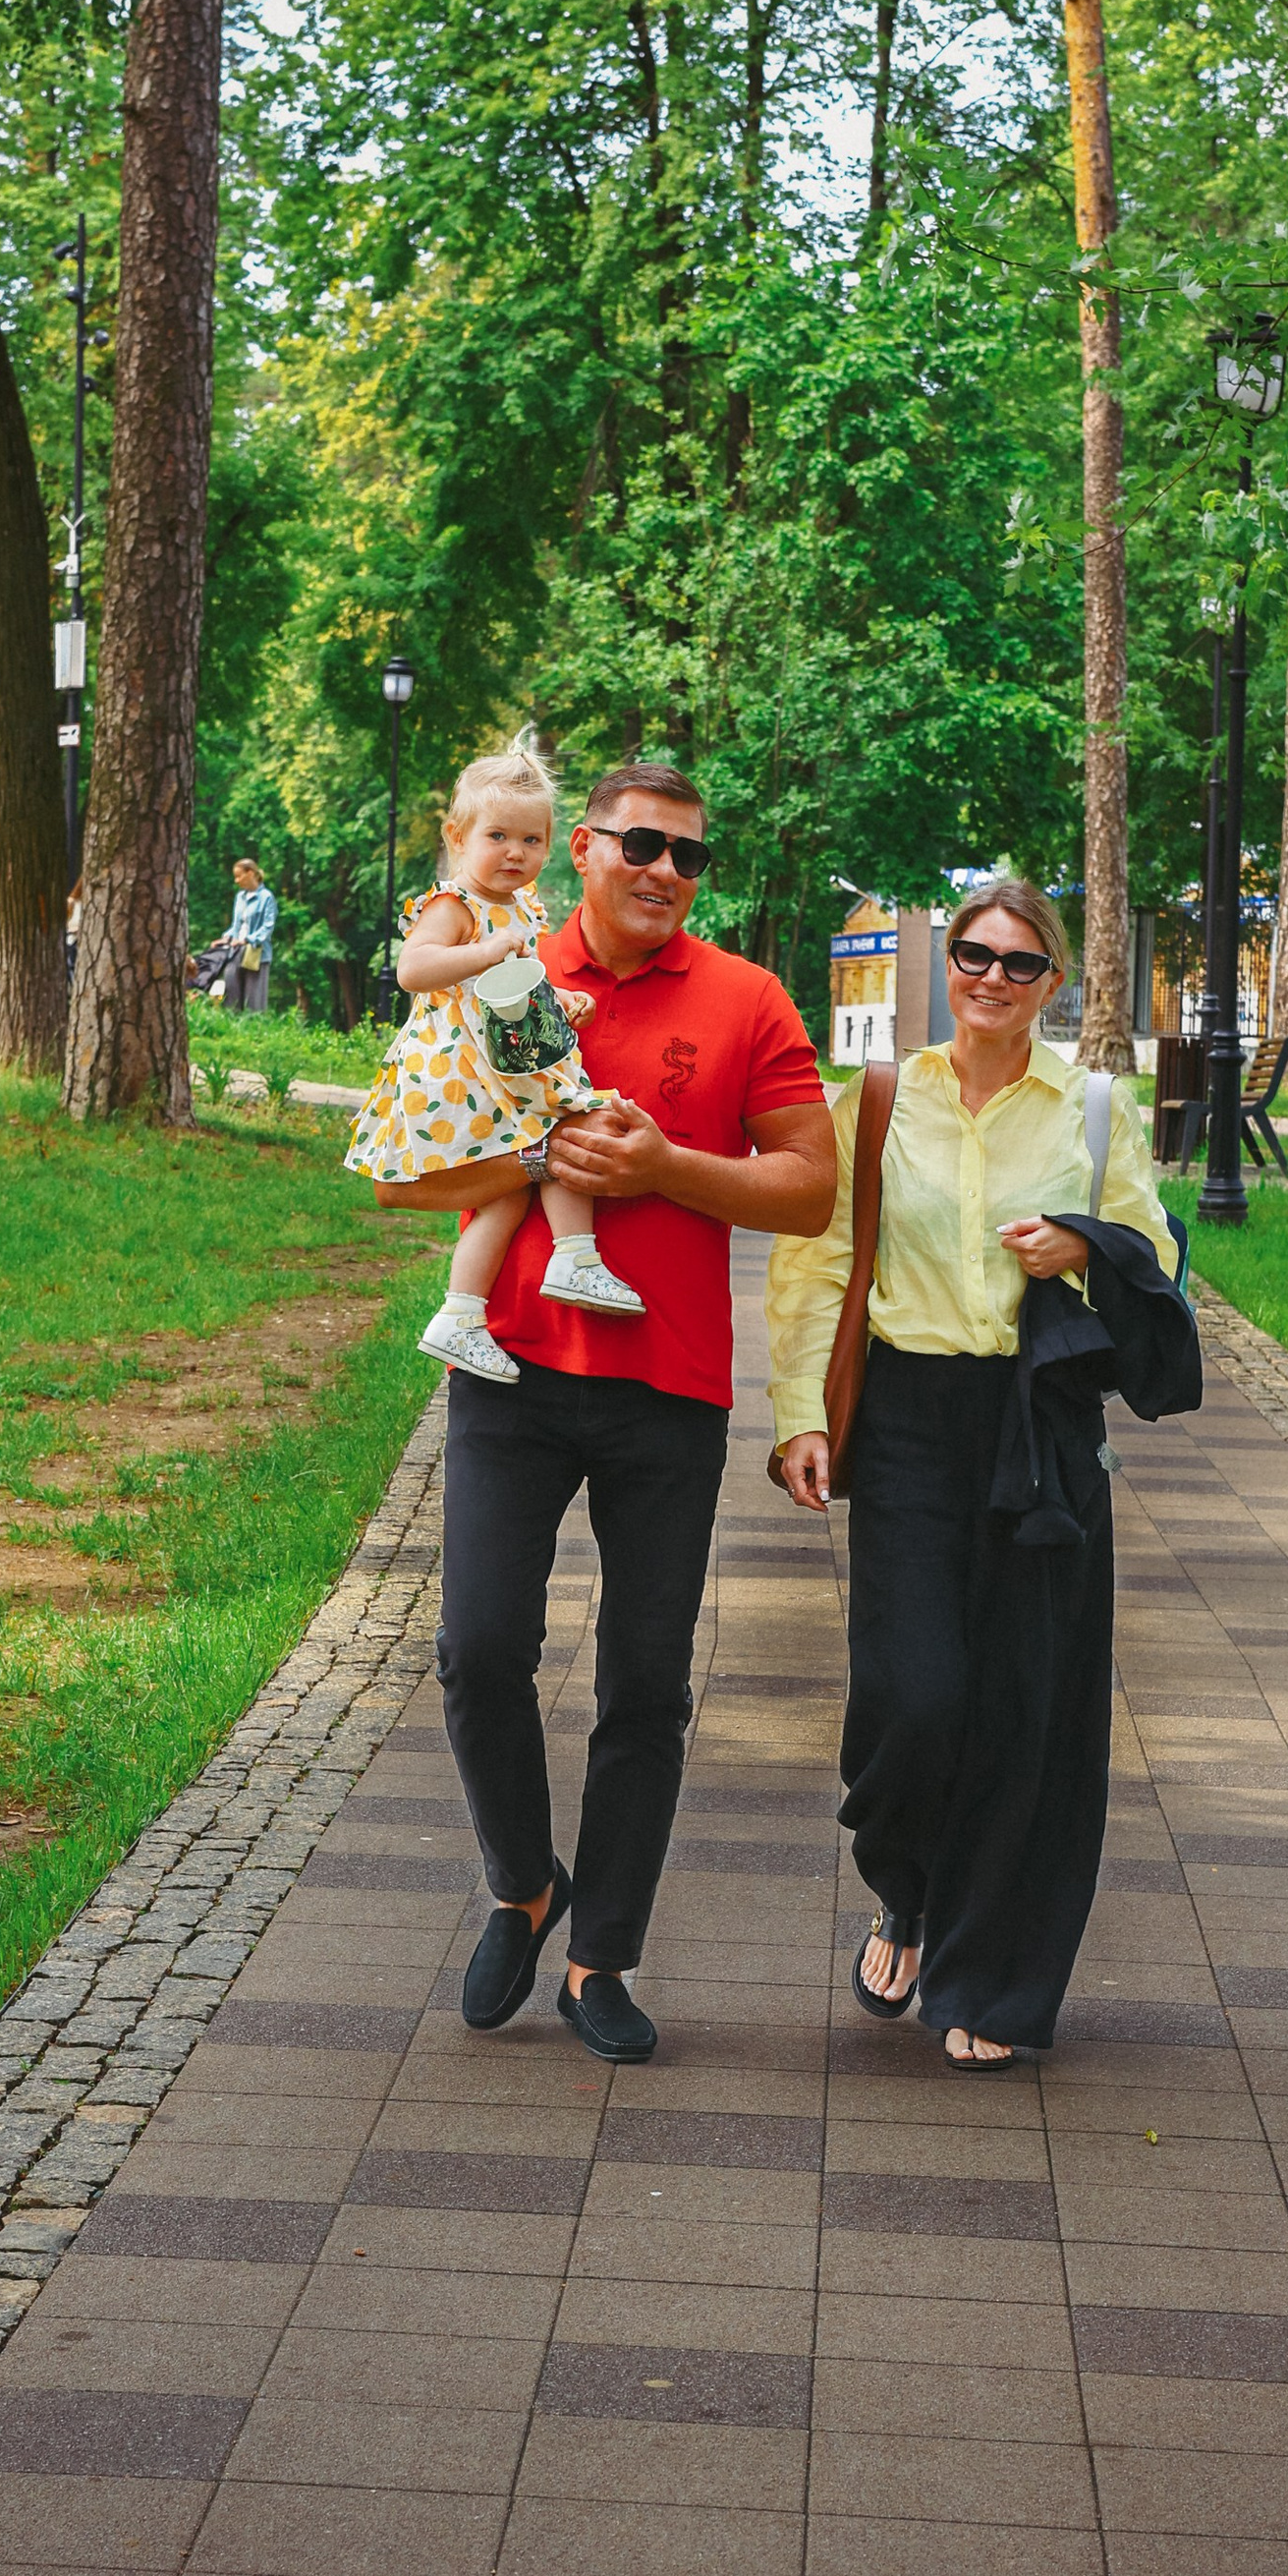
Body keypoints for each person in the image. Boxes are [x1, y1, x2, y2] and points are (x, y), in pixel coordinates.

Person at [371, 761, 834, 2064]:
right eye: (640, 843)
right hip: (510, 1369)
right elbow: (402, 1164)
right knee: (478, 1651)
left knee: (645, 1688)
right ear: (579, 847)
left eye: (689, 853)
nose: (665, 870)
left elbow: (807, 1189)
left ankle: (598, 1962)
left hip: (668, 1386)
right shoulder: (490, 959)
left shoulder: (746, 999)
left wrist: (665, 1167)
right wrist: (527, 1156)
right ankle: (525, 1881)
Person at [767, 876, 1182, 2070]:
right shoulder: (882, 1098)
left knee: (1025, 1710)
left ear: (1054, 982)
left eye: (1019, 962)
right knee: (913, 1693)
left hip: (1035, 1426)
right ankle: (904, 1888)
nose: (991, 978)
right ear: (947, 964)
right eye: (973, 955)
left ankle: (990, 1983)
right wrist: (805, 1415)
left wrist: (1081, 1245)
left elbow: (1151, 1262)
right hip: (903, 1416)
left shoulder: (1093, 1109)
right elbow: (818, 1259)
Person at [351, 750, 650, 1373]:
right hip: (456, 1071)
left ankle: (476, 1306)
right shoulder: (454, 902)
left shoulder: (522, 909)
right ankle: (560, 1261)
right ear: (457, 837)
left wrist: (559, 1000)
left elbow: (515, 982)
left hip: (505, 1057)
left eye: (531, 839)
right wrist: (484, 950)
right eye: (497, 836)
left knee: (514, 1187)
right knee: (553, 1134)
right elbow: (414, 969)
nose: (515, 852)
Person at [222, 858, 277, 1011]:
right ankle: (231, 1027)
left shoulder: (266, 897)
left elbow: (268, 927)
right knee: (231, 993)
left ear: (250, 873)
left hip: (256, 952)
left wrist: (247, 940)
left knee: (253, 1000)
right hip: (235, 950)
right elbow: (236, 925)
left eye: (239, 876)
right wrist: (225, 937)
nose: (236, 880)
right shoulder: (240, 897)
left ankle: (254, 1030)